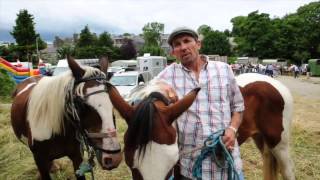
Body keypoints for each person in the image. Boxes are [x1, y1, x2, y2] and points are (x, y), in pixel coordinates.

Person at [155, 27, 245, 180]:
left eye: (187, 41)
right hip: (190, 166)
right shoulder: (168, 75)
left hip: (226, 160)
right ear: (173, 53)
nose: (183, 47)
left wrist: (232, 129)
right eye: (177, 44)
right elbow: (140, 94)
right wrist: (160, 86)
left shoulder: (223, 70)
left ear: (198, 44)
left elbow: (238, 107)